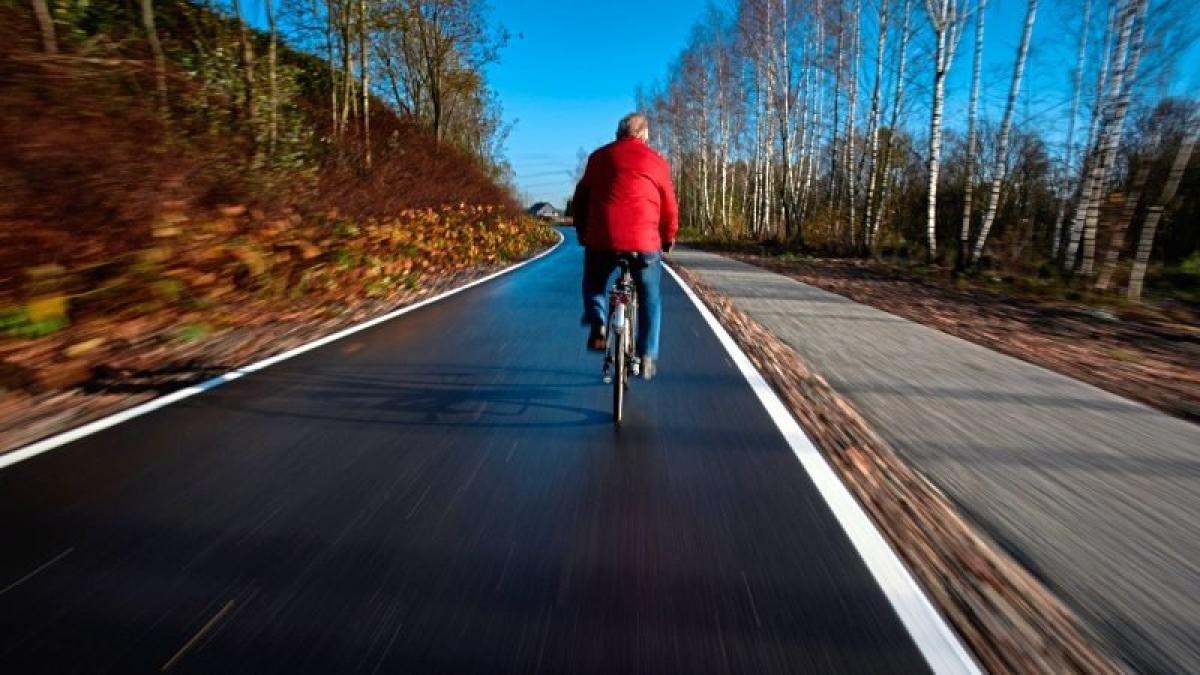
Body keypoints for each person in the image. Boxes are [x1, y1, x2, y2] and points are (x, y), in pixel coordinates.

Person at [572, 113, 678, 380]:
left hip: (602, 240)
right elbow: (669, 207)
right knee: (650, 296)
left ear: (618, 133)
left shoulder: (599, 158)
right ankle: (647, 355)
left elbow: (581, 198)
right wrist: (668, 237)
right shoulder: (657, 162)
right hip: (645, 245)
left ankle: (597, 322)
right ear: (644, 136)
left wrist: (582, 230)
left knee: (594, 283)